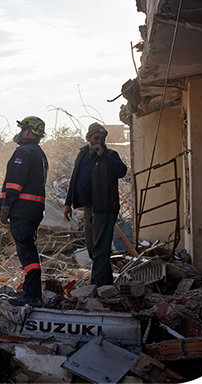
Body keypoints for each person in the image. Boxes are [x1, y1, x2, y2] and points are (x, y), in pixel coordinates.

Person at [63, 123, 128, 287]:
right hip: (88, 208)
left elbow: (121, 171)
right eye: (96, 138)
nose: (99, 141)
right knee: (93, 249)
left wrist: (103, 155)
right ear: (88, 138)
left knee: (101, 249)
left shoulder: (110, 155)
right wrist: (68, 203)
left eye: (102, 139)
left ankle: (97, 286)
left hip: (105, 208)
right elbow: (75, 178)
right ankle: (106, 285)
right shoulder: (83, 154)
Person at [0, 116, 49, 307]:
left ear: (28, 132)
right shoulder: (39, 153)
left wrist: (6, 206)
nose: (20, 132)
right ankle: (32, 292)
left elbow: (14, 183)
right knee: (30, 251)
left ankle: (32, 295)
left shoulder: (24, 152)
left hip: (22, 210)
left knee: (27, 253)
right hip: (34, 210)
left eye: (22, 129)